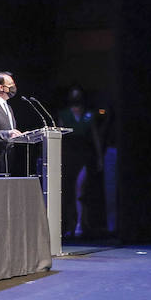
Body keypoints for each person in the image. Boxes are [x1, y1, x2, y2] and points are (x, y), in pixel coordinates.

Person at [56, 85, 102, 238]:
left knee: (80, 190)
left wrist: (99, 157)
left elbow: (95, 137)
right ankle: (70, 224)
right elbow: (60, 136)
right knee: (68, 191)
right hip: (69, 156)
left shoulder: (89, 115)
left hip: (84, 155)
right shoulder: (64, 114)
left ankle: (81, 223)